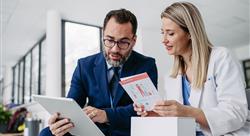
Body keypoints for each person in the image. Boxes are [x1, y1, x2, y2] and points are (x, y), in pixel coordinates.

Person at [134, 2, 250, 136]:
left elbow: (235, 113)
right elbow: (177, 121)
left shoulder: (220, 57)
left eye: (170, 33)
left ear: (190, 33)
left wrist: (187, 112)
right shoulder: (171, 76)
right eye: (162, 33)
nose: (163, 40)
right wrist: (157, 114)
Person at [40, 9, 158, 136]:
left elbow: (146, 108)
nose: (115, 49)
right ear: (103, 35)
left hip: (126, 129)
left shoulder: (145, 65)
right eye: (110, 40)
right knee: (47, 133)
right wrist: (60, 121)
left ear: (134, 41)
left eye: (123, 42)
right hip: (93, 129)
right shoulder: (84, 66)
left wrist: (106, 115)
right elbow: (73, 105)